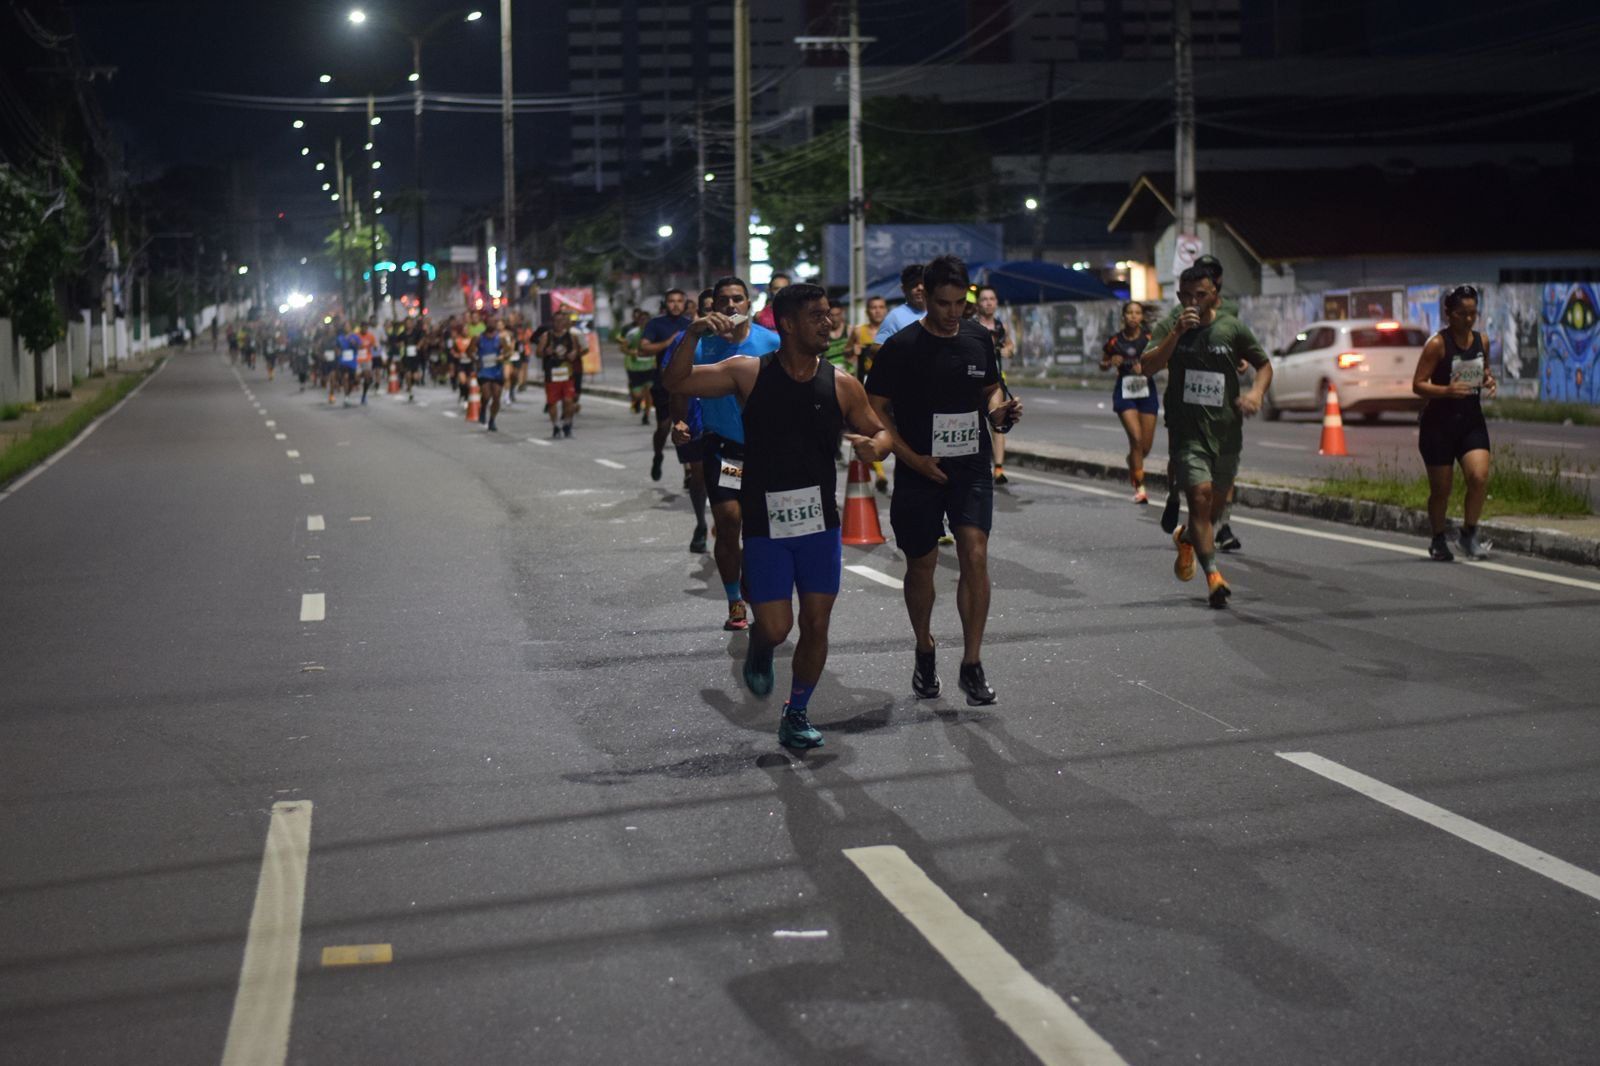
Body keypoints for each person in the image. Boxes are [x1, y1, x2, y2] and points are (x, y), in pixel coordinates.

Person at [665, 283, 892, 750]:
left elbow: (879, 430)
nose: (828, 322)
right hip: (766, 523)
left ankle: (797, 712)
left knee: (816, 623)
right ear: (787, 324)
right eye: (816, 316)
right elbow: (678, 382)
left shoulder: (842, 383)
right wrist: (692, 334)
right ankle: (761, 646)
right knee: (775, 627)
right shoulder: (748, 372)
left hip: (820, 524)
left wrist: (877, 447)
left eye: (828, 314)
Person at [866, 255, 1023, 706]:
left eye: (959, 303)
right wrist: (911, 459)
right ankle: (925, 647)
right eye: (942, 303)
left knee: (975, 553)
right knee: (922, 564)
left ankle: (972, 664)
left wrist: (998, 411)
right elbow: (875, 407)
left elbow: (989, 387)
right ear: (925, 297)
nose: (952, 313)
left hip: (969, 464)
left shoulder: (977, 337)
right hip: (919, 468)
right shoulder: (901, 347)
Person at [1139, 265, 1272, 609]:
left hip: (1226, 432)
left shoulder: (1231, 328)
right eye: (1186, 296)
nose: (1193, 302)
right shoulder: (1172, 325)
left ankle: (1187, 536)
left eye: (1200, 295)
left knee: (1212, 511)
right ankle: (1214, 577)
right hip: (1187, 431)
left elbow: (1263, 364)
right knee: (1199, 496)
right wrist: (1176, 334)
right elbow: (1147, 366)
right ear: (1179, 296)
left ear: (1215, 294)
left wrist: (1256, 393)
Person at [662, 276, 780, 632]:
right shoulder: (700, 344)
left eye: (738, 299)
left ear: (749, 304)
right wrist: (679, 421)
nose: (731, 306)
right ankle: (734, 600)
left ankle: (755, 581)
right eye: (724, 300)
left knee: (763, 528)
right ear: (713, 305)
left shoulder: (771, 341)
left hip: (769, 452)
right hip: (726, 450)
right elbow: (677, 385)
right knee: (729, 520)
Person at [1412, 284, 1497, 561]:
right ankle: (1438, 539)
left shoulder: (1482, 341)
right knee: (1441, 489)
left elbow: (1484, 371)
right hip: (1438, 425)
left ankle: (1468, 534)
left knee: (1479, 477)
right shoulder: (1437, 344)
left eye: (1473, 313)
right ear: (1449, 314)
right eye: (1462, 314)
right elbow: (1418, 384)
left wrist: (1488, 380)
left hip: (1471, 421)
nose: (1469, 319)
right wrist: (1446, 391)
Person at [1100, 301, 1157, 503]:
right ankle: (1140, 488)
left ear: (1142, 316)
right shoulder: (1114, 341)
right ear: (1123, 316)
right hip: (1125, 393)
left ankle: (1132, 460)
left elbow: (1164, 361)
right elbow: (1102, 363)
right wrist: (1110, 362)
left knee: (1145, 447)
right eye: (1130, 312)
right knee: (1136, 438)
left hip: (1147, 392)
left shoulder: (1150, 339)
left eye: (1137, 313)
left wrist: (1146, 367)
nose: (1133, 316)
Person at [641, 291, 694, 481]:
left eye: (680, 301)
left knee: (685, 427)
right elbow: (644, 347)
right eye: (672, 301)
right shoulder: (656, 324)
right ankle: (658, 455)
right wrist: (669, 343)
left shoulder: (691, 325)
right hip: (663, 383)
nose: (676, 305)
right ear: (665, 304)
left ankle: (689, 471)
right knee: (664, 427)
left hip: (687, 382)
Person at [847, 295, 891, 492]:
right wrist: (853, 350)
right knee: (872, 428)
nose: (877, 311)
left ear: (886, 310)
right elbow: (847, 351)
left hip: (891, 386)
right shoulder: (859, 331)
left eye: (881, 307)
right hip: (868, 386)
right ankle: (880, 473)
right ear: (867, 311)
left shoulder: (893, 331)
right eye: (873, 307)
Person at [973, 285, 1016, 485]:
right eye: (984, 299)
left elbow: (1010, 346)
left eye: (991, 299)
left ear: (996, 302)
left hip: (996, 380)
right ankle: (976, 464)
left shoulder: (1000, 326)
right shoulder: (971, 325)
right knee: (974, 422)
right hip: (974, 380)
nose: (988, 303)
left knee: (998, 420)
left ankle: (998, 468)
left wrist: (1008, 350)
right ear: (978, 303)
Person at [539, 310, 583, 438]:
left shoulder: (571, 336)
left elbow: (577, 350)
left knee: (569, 401)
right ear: (552, 322)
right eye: (556, 321)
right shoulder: (546, 336)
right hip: (552, 374)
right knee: (552, 402)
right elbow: (538, 352)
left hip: (567, 374)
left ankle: (567, 423)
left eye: (561, 321)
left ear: (565, 322)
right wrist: (546, 352)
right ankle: (556, 426)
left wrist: (574, 354)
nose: (559, 324)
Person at [874, 265, 927, 345]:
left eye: (923, 283)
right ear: (903, 289)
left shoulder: (938, 312)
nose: (920, 288)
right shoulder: (895, 317)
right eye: (914, 284)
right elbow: (876, 348)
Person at [621, 307, 656, 424]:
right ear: (638, 321)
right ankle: (637, 401)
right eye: (642, 319)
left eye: (647, 319)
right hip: (635, 367)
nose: (644, 321)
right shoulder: (632, 333)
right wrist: (632, 352)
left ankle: (646, 416)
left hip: (650, 366)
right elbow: (623, 348)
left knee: (649, 392)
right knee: (638, 394)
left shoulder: (654, 333)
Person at [474, 318, 507, 431]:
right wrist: (476, 360)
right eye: (489, 322)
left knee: (497, 396)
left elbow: (508, 351)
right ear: (485, 324)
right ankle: (483, 408)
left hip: (497, 371)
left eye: (494, 322)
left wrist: (502, 356)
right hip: (484, 371)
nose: (492, 324)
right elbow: (469, 351)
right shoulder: (478, 338)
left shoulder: (500, 339)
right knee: (486, 395)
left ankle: (492, 420)